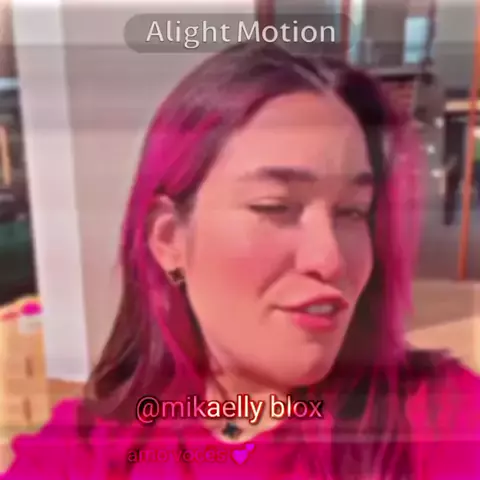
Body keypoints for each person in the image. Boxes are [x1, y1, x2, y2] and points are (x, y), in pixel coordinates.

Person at [2, 42, 479, 479]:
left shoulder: (440, 419)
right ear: (169, 239)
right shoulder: (85, 455)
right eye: (276, 206)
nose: (331, 258)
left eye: (353, 211)